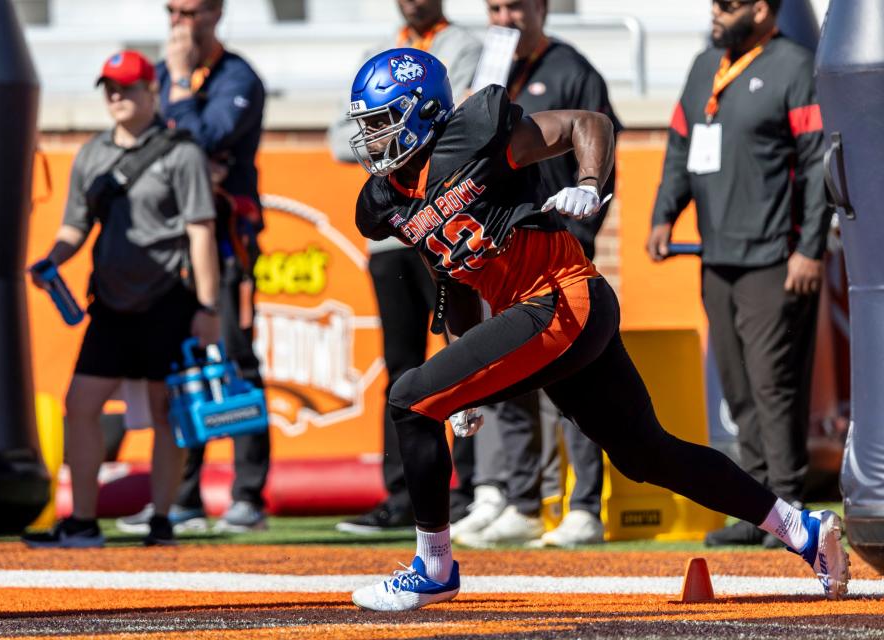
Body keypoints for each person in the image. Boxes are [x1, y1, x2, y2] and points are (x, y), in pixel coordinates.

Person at [343, 47, 848, 612]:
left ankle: (434, 568)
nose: (372, 140)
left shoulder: (478, 135)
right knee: (645, 454)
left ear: (425, 111)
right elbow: (455, 271)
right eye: (367, 126)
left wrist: (588, 180)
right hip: (556, 315)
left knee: (409, 401)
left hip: (559, 300)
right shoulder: (387, 201)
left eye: (382, 123)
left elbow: (589, 122)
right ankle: (802, 529)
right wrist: (462, 367)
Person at [647, 0, 830, 548]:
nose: (716, 14)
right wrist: (663, 213)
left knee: (774, 383)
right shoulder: (706, 66)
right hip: (717, 255)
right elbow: (680, 146)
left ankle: (790, 503)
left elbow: (819, 160)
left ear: (760, 9)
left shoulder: (794, 66)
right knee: (739, 387)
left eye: (727, 6)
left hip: (776, 255)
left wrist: (811, 249)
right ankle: (758, 510)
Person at [22, 50, 221, 548]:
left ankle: (161, 518)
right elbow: (75, 225)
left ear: (151, 91)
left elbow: (200, 233)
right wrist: (52, 259)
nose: (116, 95)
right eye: (109, 87)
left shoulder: (182, 151)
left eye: (127, 87)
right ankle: (83, 521)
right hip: (109, 302)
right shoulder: (91, 154)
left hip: (167, 301)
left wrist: (208, 308)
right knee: (80, 404)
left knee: (164, 412)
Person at [454, 0, 622, 549]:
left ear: (542, 9)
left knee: (570, 382)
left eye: (518, 6)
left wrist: (589, 197)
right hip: (502, 253)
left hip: (561, 244)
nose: (507, 18)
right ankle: (521, 501)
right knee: (510, 375)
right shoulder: (488, 73)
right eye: (497, 7)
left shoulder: (571, 68)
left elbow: (598, 139)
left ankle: (583, 507)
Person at [327, 0, 484, 534]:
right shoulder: (377, 52)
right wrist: (389, 131)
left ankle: (474, 484)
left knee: (463, 350)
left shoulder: (461, 45)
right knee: (401, 365)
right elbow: (338, 135)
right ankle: (405, 491)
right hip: (396, 228)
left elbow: (458, 119)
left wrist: (401, 130)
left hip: (443, 216)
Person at [116, 0, 270, 535]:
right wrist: (189, 152)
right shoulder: (155, 76)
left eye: (193, 10)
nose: (181, 21)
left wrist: (180, 87)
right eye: (173, 10)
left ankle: (248, 498)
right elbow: (144, 148)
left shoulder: (237, 75)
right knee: (181, 370)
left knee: (236, 360)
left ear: (217, 12)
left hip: (228, 243)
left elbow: (204, 139)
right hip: (172, 247)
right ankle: (181, 498)